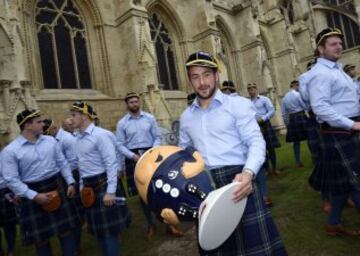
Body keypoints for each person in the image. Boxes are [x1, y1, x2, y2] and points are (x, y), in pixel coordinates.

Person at [179, 51, 287, 255]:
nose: (202, 82)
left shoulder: (238, 105)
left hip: (239, 182)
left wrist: (248, 173)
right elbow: (185, 154)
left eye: (206, 74)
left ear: (216, 75)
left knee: (256, 248)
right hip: (205, 188)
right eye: (195, 76)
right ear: (189, 80)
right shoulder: (186, 117)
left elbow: (256, 142)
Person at [1, 109, 81, 256]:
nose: (43, 124)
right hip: (32, 192)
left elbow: (62, 163)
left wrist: (70, 182)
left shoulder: (51, 141)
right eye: (39, 122)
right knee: (41, 239)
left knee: (66, 230)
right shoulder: (10, 151)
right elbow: (11, 179)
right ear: (27, 125)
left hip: (57, 185)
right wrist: (34, 196)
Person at [307, 28, 360, 236]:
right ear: (321, 49)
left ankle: (333, 223)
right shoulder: (319, 73)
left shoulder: (336, 70)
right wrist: (352, 125)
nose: (339, 46)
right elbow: (320, 108)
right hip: (339, 131)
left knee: (343, 183)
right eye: (333, 44)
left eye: (340, 42)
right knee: (356, 181)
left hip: (347, 128)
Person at [116, 92, 183, 240]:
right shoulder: (122, 123)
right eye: (131, 102)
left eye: (136, 101)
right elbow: (119, 145)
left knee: (160, 190)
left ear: (139, 102)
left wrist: (151, 152)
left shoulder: (149, 118)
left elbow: (157, 137)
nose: (134, 104)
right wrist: (133, 156)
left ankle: (169, 225)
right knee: (143, 194)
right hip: (134, 158)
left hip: (151, 155)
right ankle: (151, 225)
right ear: (127, 104)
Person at [70, 101, 131, 256]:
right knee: (99, 230)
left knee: (109, 231)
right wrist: (82, 186)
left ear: (84, 116)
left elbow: (111, 164)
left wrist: (110, 191)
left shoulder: (101, 135)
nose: (71, 119)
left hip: (103, 185)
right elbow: (82, 166)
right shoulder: (77, 138)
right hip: (89, 187)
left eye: (74, 115)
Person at [42, 118, 83, 253]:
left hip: (71, 175)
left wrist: (63, 176)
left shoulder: (66, 139)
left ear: (53, 129)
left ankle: (76, 246)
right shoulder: (53, 140)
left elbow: (73, 162)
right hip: (63, 177)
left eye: (47, 133)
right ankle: (73, 244)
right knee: (68, 212)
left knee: (74, 212)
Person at [247, 83, 281, 175]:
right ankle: (267, 169)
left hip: (265, 124)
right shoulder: (247, 103)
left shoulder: (264, 99)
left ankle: (274, 168)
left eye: (252, 89)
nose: (251, 91)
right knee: (261, 149)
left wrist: (263, 118)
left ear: (256, 89)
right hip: (255, 126)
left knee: (270, 148)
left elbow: (272, 110)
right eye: (249, 89)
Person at [281, 80, 309, 167]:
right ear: (292, 85)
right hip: (300, 115)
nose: (298, 87)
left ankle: (298, 161)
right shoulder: (297, 95)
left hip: (292, 118)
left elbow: (284, 113)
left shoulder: (284, 98)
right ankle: (314, 157)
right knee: (309, 137)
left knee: (296, 142)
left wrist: (287, 123)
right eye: (297, 85)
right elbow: (304, 106)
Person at [0, 151, 17, 256]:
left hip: (4, 191)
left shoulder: (4, 156)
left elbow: (11, 175)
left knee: (9, 225)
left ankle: (11, 250)